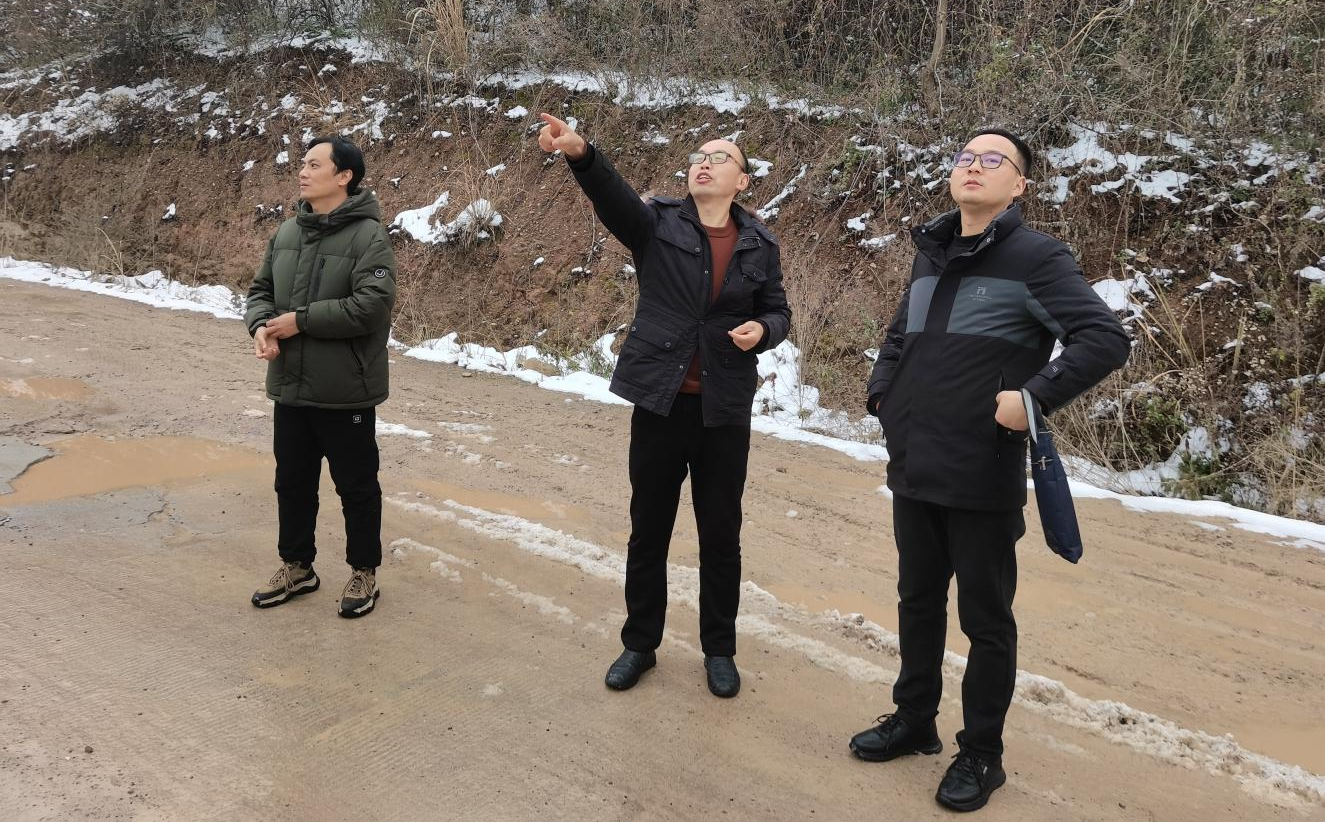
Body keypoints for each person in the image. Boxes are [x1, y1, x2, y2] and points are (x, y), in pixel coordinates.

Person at [851, 127, 1129, 811]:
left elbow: (1104, 337)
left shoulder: (1035, 257)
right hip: (914, 461)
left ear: (1019, 185)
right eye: (966, 158)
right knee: (917, 601)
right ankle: (914, 719)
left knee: (986, 619)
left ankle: (982, 752)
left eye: (993, 160)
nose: (975, 167)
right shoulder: (931, 253)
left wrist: (1032, 397)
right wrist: (883, 394)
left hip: (981, 468)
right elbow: (900, 335)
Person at [537, 112, 791, 698]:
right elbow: (612, 197)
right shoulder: (657, 223)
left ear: (742, 181)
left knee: (721, 536)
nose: (705, 163)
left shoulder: (760, 242)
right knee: (648, 529)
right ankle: (640, 643)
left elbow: (778, 310)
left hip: (724, 409)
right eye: (698, 155)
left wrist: (764, 330)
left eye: (720, 157)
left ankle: (719, 650)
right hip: (660, 401)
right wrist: (581, 152)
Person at [244, 135, 396, 619]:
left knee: (356, 487)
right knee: (291, 483)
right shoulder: (287, 232)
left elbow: (371, 306)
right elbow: (260, 291)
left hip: (345, 389)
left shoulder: (369, 236)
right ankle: (297, 567)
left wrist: (300, 321)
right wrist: (260, 327)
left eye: (314, 164)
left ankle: (364, 571)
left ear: (344, 176)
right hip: (290, 384)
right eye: (303, 163)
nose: (303, 172)